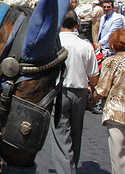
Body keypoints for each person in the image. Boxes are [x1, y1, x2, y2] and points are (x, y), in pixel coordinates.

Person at [50, 10, 99, 174]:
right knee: (76, 132)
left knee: (60, 134)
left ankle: (66, 170)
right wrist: (93, 92)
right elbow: (93, 75)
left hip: (58, 91)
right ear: (77, 25)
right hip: (80, 91)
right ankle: (72, 166)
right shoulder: (86, 45)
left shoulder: (53, 44)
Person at [92, 29, 125, 174]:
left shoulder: (111, 62)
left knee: (118, 155)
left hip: (116, 112)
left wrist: (92, 99)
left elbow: (102, 89)